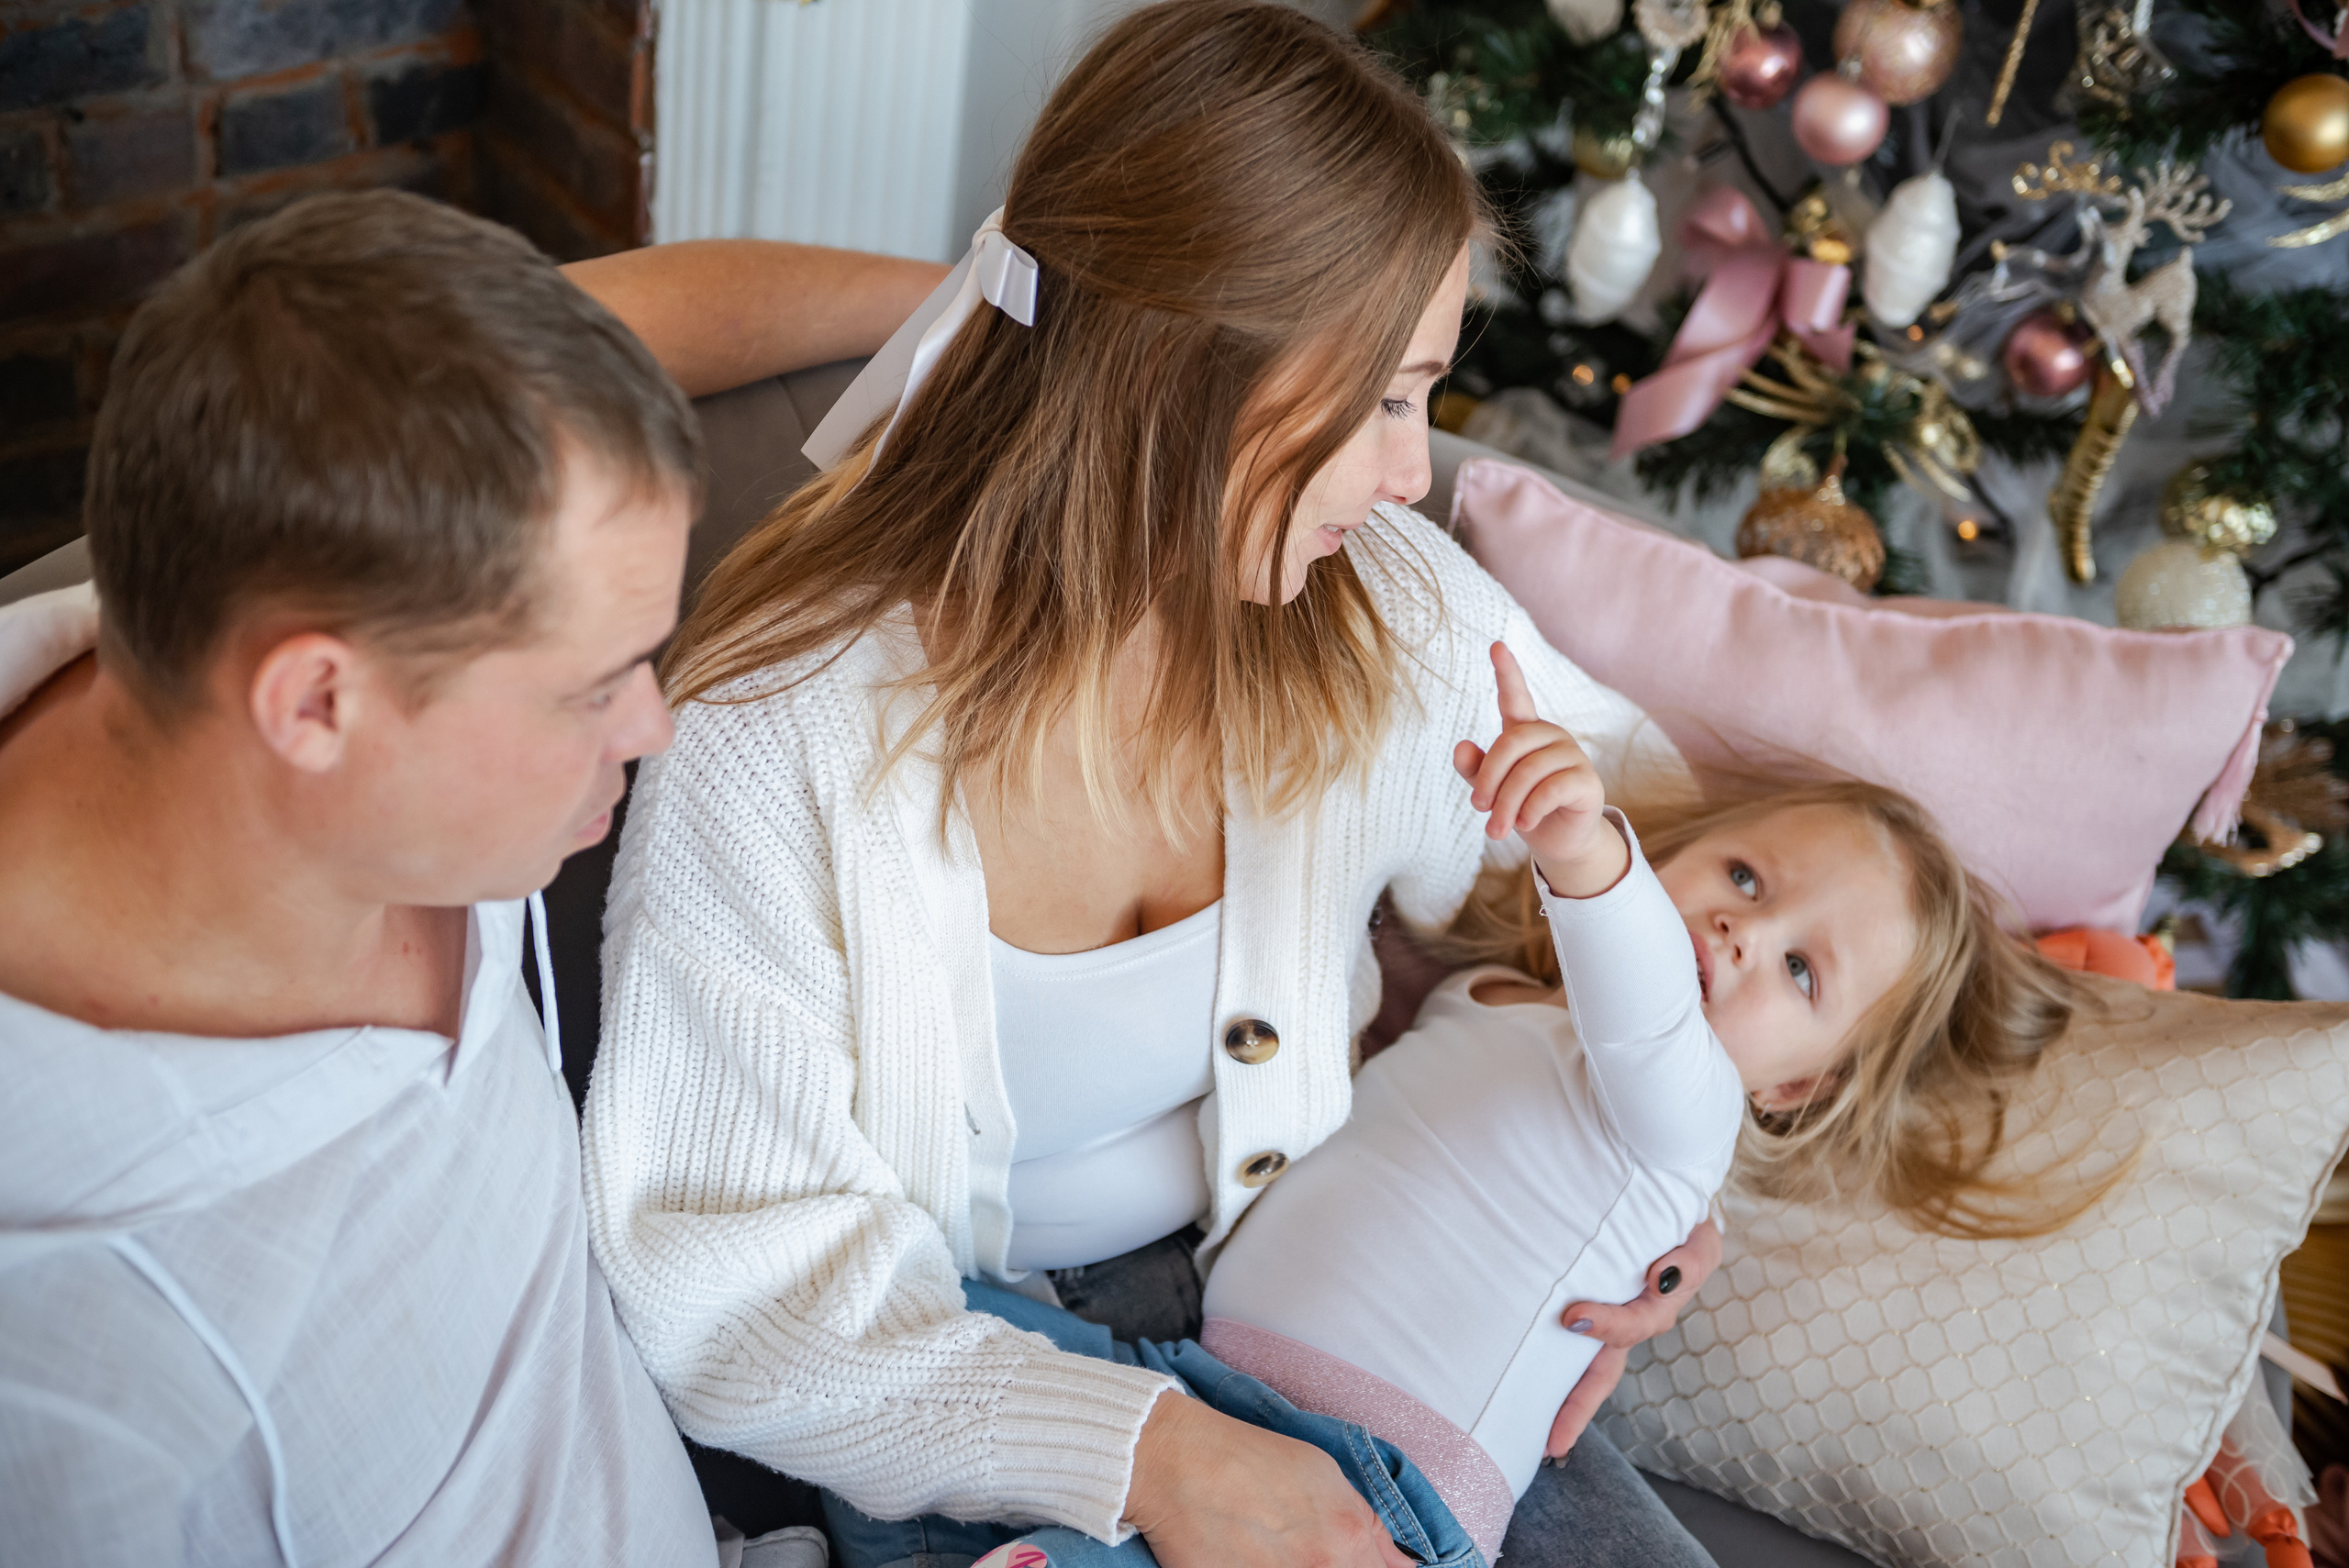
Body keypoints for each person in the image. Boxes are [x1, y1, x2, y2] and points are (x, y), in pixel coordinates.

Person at [583, 5, 1716, 1566]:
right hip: (956, 1377)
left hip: (1349, 1314)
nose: (1411, 476)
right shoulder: (778, 720)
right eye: (1386, 399)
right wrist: (1149, 1454)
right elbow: (730, 1271)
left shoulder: (1384, 611)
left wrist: (1669, 1154)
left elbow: (1679, 842)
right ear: (1178, 360)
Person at [0, 189, 940, 1567]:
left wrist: (993, 294)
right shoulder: (77, 1362)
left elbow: (613, 337)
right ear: (317, 702)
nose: (656, 725)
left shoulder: (295, 538)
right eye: (595, 686)